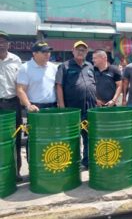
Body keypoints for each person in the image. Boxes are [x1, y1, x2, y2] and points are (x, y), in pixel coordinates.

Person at [56, 41, 96, 170]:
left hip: (90, 108)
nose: (80, 52)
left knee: (89, 136)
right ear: (72, 51)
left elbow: (92, 83)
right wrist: (61, 105)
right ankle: (73, 163)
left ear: (87, 52)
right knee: (73, 137)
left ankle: (87, 161)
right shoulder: (64, 66)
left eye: (83, 50)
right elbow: (59, 86)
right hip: (73, 109)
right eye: (78, 49)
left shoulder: (89, 66)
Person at [0, 31, 23, 181]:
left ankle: (16, 171)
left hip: (12, 103)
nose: (1, 44)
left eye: (4, 41)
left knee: (15, 137)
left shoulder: (16, 60)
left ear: (8, 44)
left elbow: (20, 84)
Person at [16, 41, 58, 112]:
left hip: (53, 106)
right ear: (34, 53)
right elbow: (20, 90)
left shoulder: (54, 67)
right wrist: (28, 105)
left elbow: (57, 87)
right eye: (43, 52)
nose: (47, 54)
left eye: (48, 51)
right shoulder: (25, 68)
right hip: (35, 107)